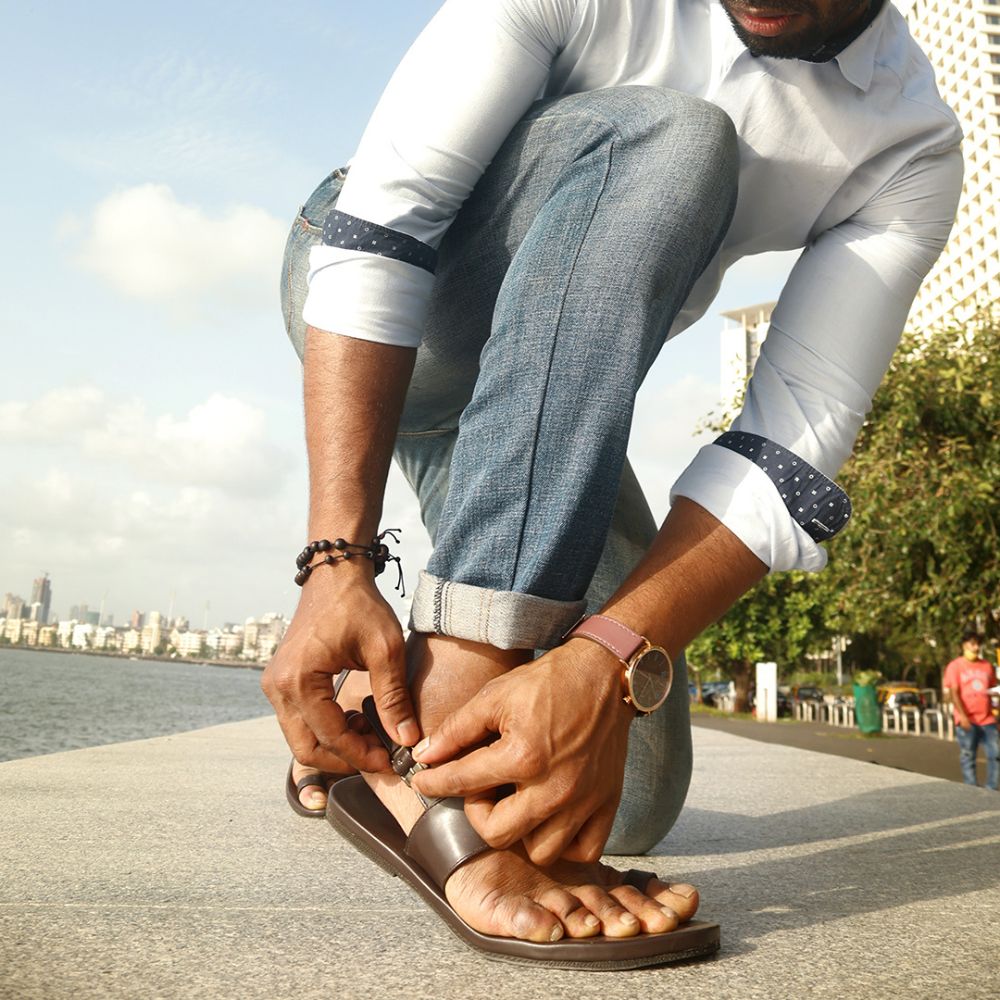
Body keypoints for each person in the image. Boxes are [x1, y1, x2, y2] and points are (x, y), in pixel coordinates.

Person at [263, 0, 963, 966]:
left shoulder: (909, 147)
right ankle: (445, 748)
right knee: (676, 140)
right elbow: (387, 221)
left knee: (629, 795)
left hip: (536, 391)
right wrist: (337, 560)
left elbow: (784, 460)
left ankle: (365, 738)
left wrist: (600, 661)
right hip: (401, 295)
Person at [942, 631, 1000, 791]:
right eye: (971, 644)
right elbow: (954, 692)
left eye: (977, 644)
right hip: (967, 719)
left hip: (988, 719)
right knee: (968, 755)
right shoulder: (955, 666)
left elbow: (994, 690)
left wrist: (997, 715)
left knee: (995, 754)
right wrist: (963, 716)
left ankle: (991, 789)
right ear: (964, 645)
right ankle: (971, 788)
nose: (975, 648)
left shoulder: (987, 666)